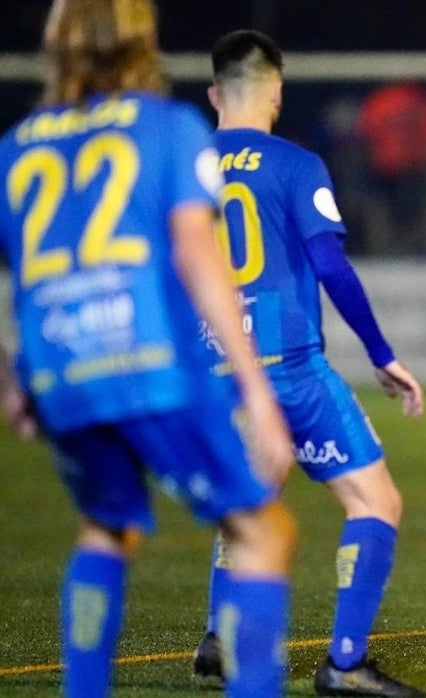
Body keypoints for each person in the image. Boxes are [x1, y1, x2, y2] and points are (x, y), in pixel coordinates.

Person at [0, 2, 297, 696]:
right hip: (151, 366)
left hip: (62, 370)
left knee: (104, 528)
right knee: (261, 532)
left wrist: (14, 378)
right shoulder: (167, 128)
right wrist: (256, 390)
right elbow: (201, 259)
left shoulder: (17, 147)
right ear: (143, 43)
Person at [191, 30, 426, 698]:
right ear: (277, 90)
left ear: (214, 94)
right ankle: (345, 662)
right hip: (289, 367)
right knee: (375, 499)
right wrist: (382, 354)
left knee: (252, 497)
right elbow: (329, 264)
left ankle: (218, 634)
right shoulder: (294, 164)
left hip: (218, 368)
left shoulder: (183, 168)